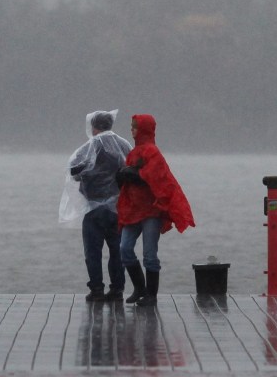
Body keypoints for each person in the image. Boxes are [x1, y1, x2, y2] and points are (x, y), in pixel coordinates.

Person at [116, 114, 195, 306]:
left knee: (149, 254)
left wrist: (135, 174)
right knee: (125, 249)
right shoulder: (135, 153)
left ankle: (151, 295)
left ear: (143, 130)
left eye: (135, 127)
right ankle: (139, 288)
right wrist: (128, 175)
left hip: (152, 211)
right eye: (132, 127)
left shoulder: (152, 152)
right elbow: (133, 179)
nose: (132, 130)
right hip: (134, 210)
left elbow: (156, 178)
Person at [59, 109, 133, 301]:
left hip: (93, 208)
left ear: (93, 127)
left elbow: (74, 170)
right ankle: (117, 289)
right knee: (117, 251)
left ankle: (97, 289)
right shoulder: (124, 145)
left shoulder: (88, 147)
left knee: (93, 252)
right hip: (118, 208)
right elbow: (133, 169)